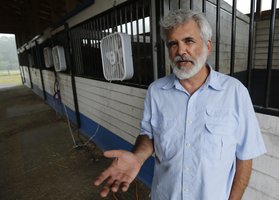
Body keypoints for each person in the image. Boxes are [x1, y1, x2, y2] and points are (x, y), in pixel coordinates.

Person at [94, 9, 266, 200]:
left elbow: (245, 157)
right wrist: (138, 157)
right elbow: (149, 135)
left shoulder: (235, 92)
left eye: (189, 41)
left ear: (208, 46)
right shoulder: (156, 91)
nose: (181, 51)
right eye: (173, 44)